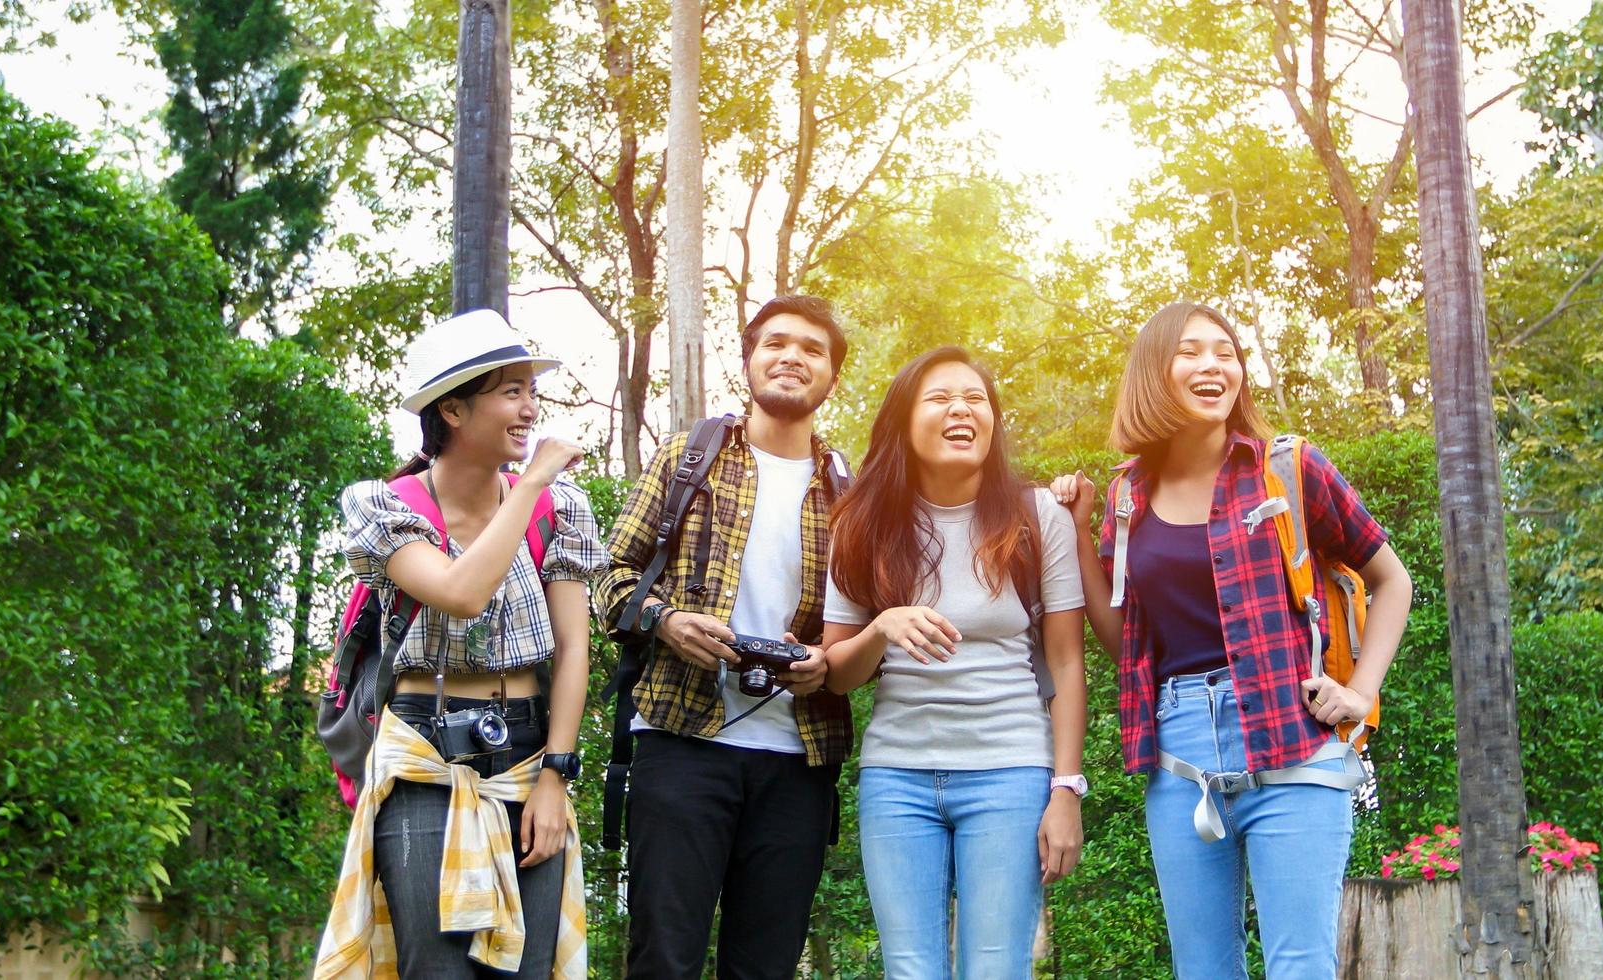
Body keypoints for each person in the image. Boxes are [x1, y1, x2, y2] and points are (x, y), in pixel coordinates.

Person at [1049, 302, 1413, 979]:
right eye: (1190, 351)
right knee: (1202, 968)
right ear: (1154, 372)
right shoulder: (1128, 494)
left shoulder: (1288, 466)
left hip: (1292, 738)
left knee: (1298, 965)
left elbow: (1392, 581)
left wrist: (1361, 693)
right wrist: (1075, 533)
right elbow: (1122, 641)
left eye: (1225, 351)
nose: (1213, 365)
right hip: (1179, 755)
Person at [315, 308, 605, 978]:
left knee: (528, 970)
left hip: (529, 750)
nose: (530, 408)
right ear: (451, 409)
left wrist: (557, 774)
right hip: (421, 752)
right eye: (511, 392)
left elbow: (572, 649)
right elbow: (459, 591)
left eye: (532, 392)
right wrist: (529, 482)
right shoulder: (382, 507)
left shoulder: (562, 510)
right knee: (436, 968)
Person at [594, 295, 853, 979]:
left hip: (798, 759)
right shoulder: (690, 457)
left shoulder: (849, 490)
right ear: (748, 361)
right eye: (775, 343)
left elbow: (867, 625)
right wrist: (666, 621)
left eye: (811, 348)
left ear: (832, 376)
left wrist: (825, 662)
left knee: (764, 967)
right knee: (662, 959)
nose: (791, 356)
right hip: (681, 741)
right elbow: (610, 579)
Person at [821, 346, 1088, 980]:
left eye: (975, 399)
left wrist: (1066, 790)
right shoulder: (861, 521)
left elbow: (1068, 663)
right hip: (898, 778)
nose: (961, 409)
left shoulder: (1035, 515)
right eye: (939, 398)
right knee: (910, 970)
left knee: (996, 969)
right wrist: (882, 627)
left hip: (1009, 772)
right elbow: (836, 672)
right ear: (903, 422)